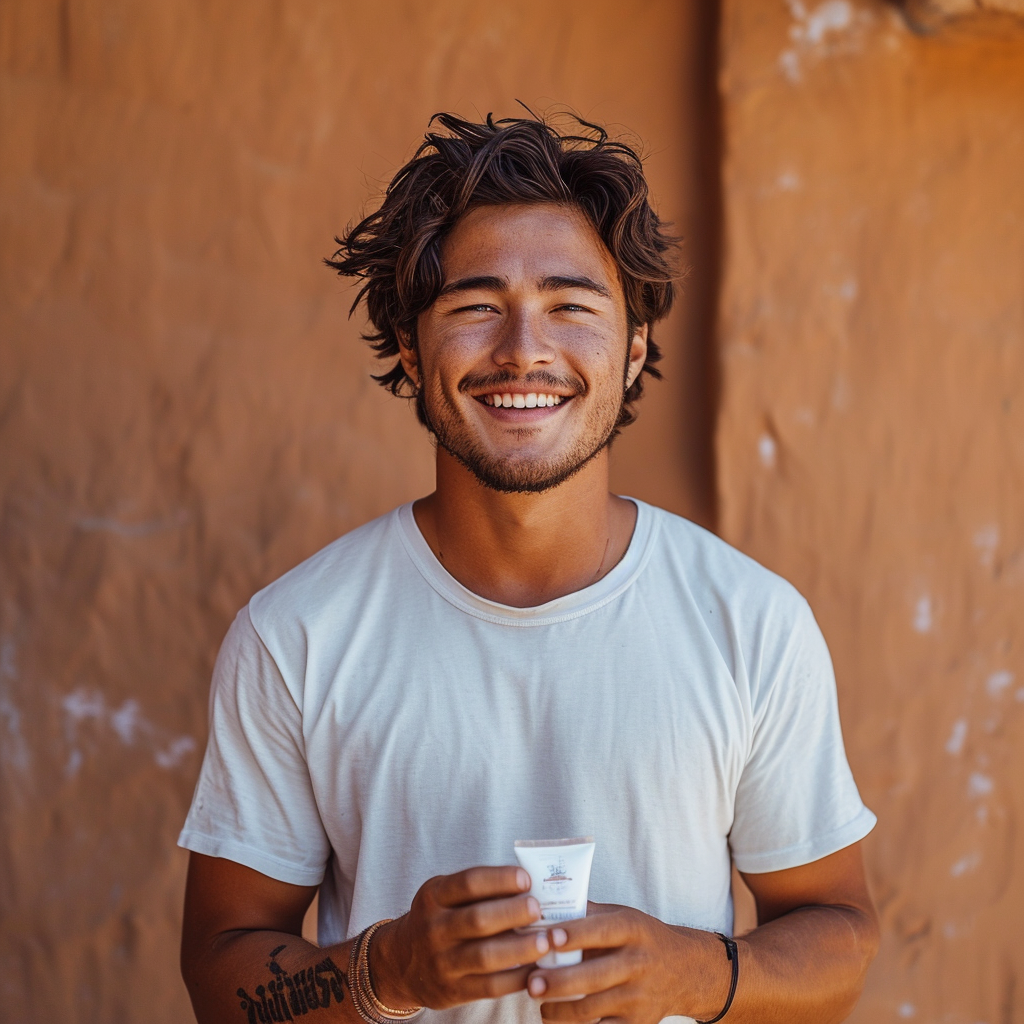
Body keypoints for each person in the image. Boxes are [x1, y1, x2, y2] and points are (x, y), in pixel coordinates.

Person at [179, 111, 879, 1024]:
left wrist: (694, 975)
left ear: (632, 354)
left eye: (572, 307)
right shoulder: (297, 635)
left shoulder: (749, 621)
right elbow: (220, 973)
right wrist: (381, 972)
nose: (523, 350)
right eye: (475, 306)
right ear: (408, 347)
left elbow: (839, 936)